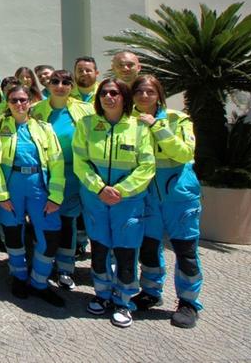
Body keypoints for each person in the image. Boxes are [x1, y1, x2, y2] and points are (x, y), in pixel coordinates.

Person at [74, 78, 155, 328]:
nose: (109, 97)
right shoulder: (87, 124)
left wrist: (120, 190)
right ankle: (102, 295)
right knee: (99, 249)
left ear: (124, 97)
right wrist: (99, 188)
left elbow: (147, 165)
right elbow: (80, 159)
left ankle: (124, 301)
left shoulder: (138, 127)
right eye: (104, 94)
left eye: (115, 93)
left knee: (125, 251)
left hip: (127, 201)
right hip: (96, 197)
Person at [130, 75, 202, 328]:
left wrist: (157, 126)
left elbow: (184, 153)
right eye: (139, 91)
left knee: (185, 251)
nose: (144, 96)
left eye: (149, 91)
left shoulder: (176, 119)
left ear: (158, 94)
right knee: (148, 247)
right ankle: (150, 292)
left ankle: (189, 302)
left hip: (178, 196)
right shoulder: (129, 121)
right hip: (147, 195)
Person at [0, 84, 66, 307]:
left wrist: (56, 196)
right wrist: (1, 194)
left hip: (38, 186)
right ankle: (19, 276)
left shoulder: (43, 128)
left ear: (30, 101)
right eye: (14, 100)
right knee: (14, 234)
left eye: (23, 100)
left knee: (49, 235)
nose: (19, 104)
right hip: (12, 185)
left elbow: (57, 162)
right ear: (7, 103)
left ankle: (40, 282)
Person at [29, 69, 94, 290]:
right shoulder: (37, 110)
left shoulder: (85, 110)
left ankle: (66, 269)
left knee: (68, 222)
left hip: (73, 176)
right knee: (44, 221)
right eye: (55, 81)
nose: (60, 86)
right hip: (44, 175)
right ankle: (42, 265)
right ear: (48, 85)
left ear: (72, 86)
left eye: (66, 82)